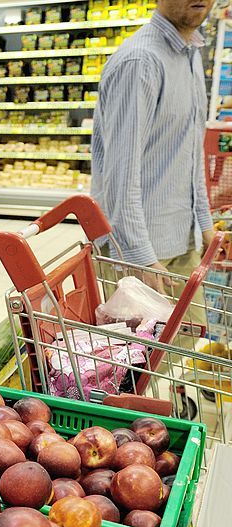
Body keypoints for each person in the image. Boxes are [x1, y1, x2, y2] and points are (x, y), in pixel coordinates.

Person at [92, 0, 215, 319]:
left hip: (181, 240)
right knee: (136, 366)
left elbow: (189, 152)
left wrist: (204, 224)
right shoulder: (140, 61)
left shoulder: (190, 53)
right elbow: (120, 176)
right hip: (139, 251)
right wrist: (139, 258)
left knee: (186, 352)